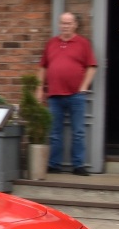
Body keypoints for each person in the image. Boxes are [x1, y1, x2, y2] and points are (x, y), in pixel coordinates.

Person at [37, 11, 97, 176]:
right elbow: (43, 67)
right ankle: (54, 164)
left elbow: (91, 66)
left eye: (68, 23)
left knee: (78, 132)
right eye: (62, 23)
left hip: (76, 95)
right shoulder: (51, 43)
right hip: (54, 95)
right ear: (59, 24)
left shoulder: (83, 43)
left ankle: (78, 165)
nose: (65, 26)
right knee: (54, 132)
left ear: (75, 25)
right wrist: (39, 87)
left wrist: (84, 86)